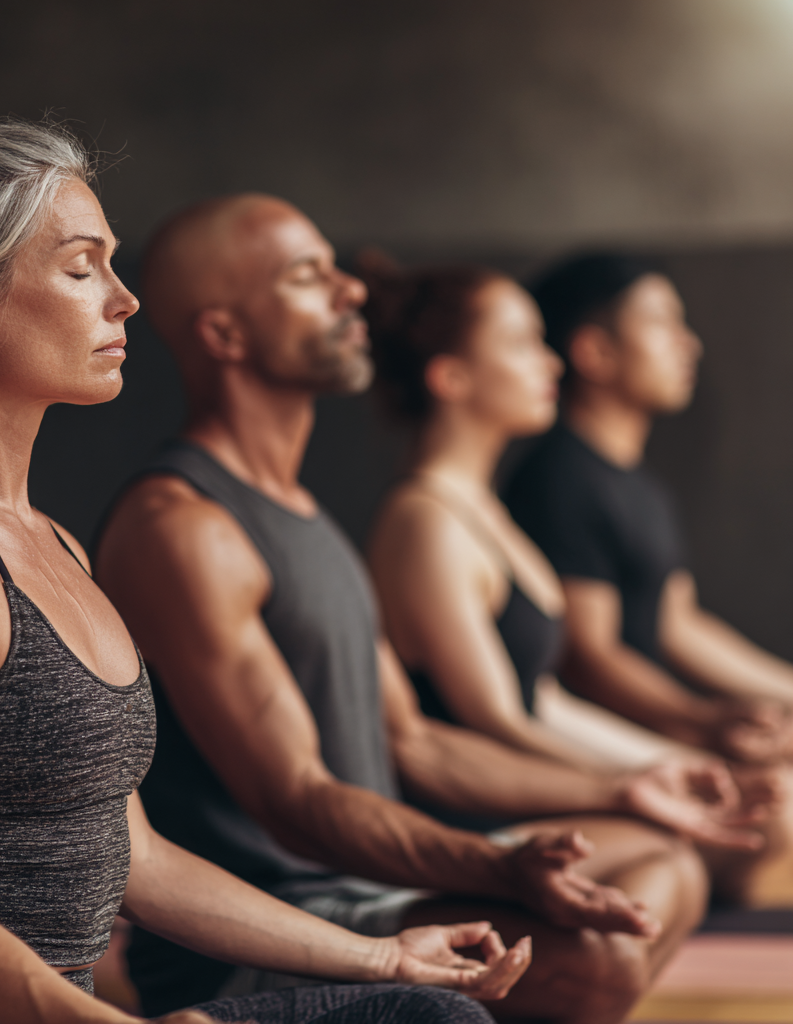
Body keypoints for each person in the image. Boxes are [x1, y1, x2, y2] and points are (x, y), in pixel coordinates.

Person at [0, 109, 525, 1024]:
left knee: (430, 1014)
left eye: (113, 264)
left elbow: (140, 860)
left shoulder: (56, 546)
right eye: (82, 268)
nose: (124, 299)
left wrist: (385, 958)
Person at [95, 194, 764, 1024]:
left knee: (669, 865)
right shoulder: (182, 526)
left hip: (364, 885)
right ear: (225, 334)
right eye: (307, 276)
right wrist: (496, 868)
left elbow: (414, 741)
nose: (351, 291)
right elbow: (297, 800)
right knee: (598, 961)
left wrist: (626, 786)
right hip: (270, 930)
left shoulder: (307, 516)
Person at [364, 258, 695, 771]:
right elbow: (498, 723)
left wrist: (679, 764)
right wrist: (648, 783)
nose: (552, 364)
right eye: (522, 344)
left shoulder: (480, 506)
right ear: (451, 377)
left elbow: (543, 703)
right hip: (483, 800)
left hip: (544, 783)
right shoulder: (425, 523)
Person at [503, 254, 793, 767]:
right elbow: (588, 656)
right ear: (595, 351)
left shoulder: (638, 484)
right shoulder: (561, 480)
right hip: (588, 756)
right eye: (662, 323)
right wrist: (702, 722)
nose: (689, 344)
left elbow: (677, 623)